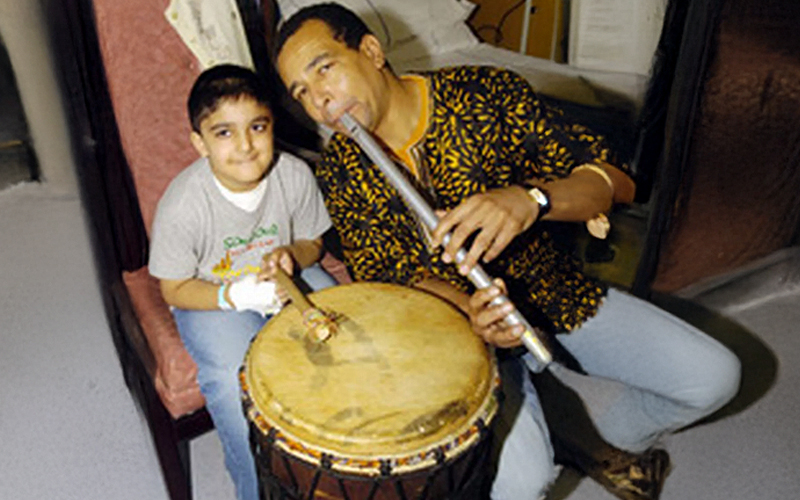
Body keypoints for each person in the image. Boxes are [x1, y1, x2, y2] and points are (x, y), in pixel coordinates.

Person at [273, 4, 742, 500]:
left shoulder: (482, 93)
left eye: (324, 68)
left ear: (371, 50)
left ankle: (594, 442)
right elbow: (391, 274)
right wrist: (469, 312)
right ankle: (531, 425)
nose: (320, 101)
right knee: (523, 482)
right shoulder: (340, 169)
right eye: (301, 92)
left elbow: (614, 180)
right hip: (460, 330)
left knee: (714, 378)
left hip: (551, 290)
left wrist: (531, 199)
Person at [148, 64, 336, 500]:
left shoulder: (294, 175)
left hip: (287, 276)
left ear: (273, 126)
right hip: (208, 292)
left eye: (257, 127)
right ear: (200, 143)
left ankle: (329, 469)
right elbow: (173, 289)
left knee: (342, 336)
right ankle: (254, 488)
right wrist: (235, 295)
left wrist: (292, 255)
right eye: (224, 133)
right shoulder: (182, 205)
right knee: (236, 381)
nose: (246, 145)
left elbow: (313, 243)